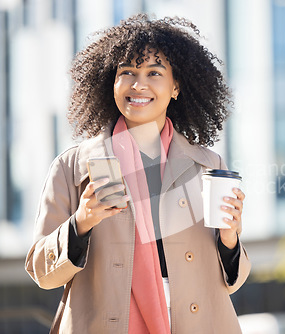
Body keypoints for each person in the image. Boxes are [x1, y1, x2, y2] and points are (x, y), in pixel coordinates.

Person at [25, 14, 251, 333]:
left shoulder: (208, 166)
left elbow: (231, 282)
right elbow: (41, 271)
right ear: (112, 84)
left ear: (175, 87)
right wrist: (81, 222)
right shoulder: (72, 166)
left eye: (153, 72)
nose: (138, 84)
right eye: (127, 72)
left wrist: (230, 240)